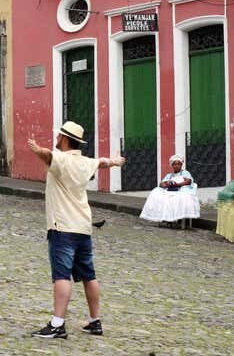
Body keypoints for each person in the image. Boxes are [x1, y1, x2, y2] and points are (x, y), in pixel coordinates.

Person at [27, 121, 125, 339]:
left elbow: (47, 156)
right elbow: (101, 162)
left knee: (61, 276)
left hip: (62, 226)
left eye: (59, 136)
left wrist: (36, 149)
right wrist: (115, 162)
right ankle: (95, 321)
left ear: (63, 138)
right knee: (89, 276)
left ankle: (57, 324)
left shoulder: (60, 158)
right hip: (83, 226)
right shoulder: (85, 162)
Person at [139, 154, 200, 226]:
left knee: (176, 199)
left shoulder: (185, 173)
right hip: (170, 190)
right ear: (172, 165)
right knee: (159, 195)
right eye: (175, 164)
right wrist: (167, 184)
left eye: (179, 164)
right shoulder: (169, 175)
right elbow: (161, 184)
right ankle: (166, 218)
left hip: (180, 190)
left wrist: (177, 184)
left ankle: (175, 219)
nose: (177, 166)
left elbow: (188, 181)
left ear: (181, 165)